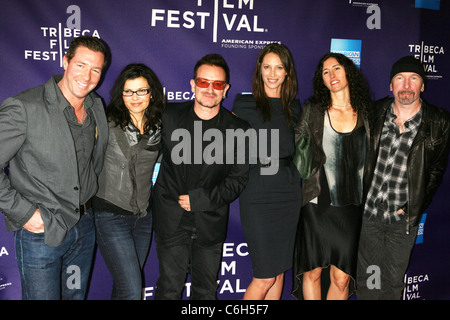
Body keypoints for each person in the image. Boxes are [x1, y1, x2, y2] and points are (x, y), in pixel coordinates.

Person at [0, 35, 109, 299]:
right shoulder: (25, 107)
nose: (88, 75)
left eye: (96, 69)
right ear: (65, 61)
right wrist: (25, 213)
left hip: (84, 228)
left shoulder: (96, 106)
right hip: (42, 232)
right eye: (81, 65)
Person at [152, 53, 250, 300]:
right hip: (171, 220)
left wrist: (201, 199)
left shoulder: (239, 130)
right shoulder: (169, 116)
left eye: (217, 84)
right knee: (168, 291)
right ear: (193, 84)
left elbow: (237, 180)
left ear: (225, 89)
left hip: (210, 223)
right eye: (203, 82)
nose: (210, 89)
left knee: (205, 294)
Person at [356, 56, 450, 300]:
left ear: (422, 85)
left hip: (402, 222)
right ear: (391, 85)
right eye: (400, 78)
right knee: (368, 281)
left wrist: (411, 208)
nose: (406, 85)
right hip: (369, 216)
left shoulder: (439, 123)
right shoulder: (374, 113)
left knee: (393, 282)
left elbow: (436, 172)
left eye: (414, 78)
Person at [292, 52, 372, 300]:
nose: (332, 75)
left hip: (351, 207)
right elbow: (294, 145)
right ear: (322, 80)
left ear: (348, 71)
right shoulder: (313, 110)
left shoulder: (368, 112)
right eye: (325, 72)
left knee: (341, 277)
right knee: (313, 272)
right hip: (317, 204)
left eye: (336, 68)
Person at [231, 43, 302, 300]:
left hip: (288, 190)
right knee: (265, 275)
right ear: (259, 71)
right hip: (257, 191)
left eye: (279, 67)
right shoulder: (244, 103)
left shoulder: (293, 108)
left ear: (287, 73)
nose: (273, 73)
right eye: (267, 67)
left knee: (280, 271)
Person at [92, 64, 164, 299]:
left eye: (141, 91)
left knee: (124, 289)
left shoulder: (159, 126)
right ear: (120, 95)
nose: (135, 97)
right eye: (128, 91)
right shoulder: (105, 123)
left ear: (151, 93)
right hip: (110, 216)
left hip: (143, 218)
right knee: (133, 291)